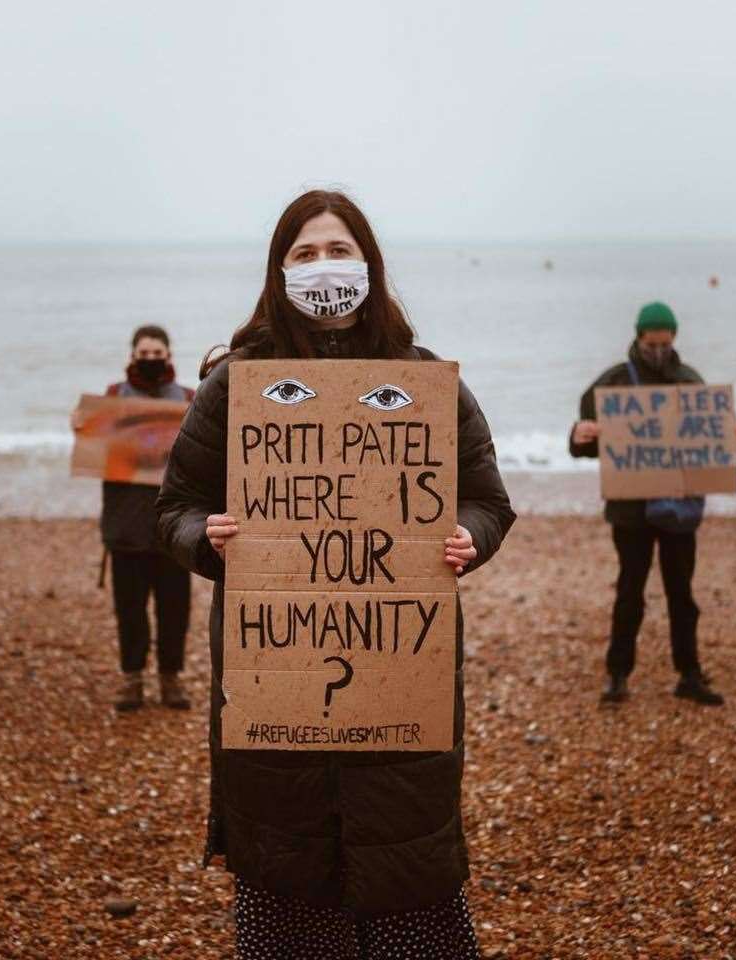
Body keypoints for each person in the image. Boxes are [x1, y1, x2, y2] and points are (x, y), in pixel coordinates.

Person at [156, 190, 515, 960]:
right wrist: (204, 537)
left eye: (338, 250)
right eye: (305, 254)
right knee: (290, 891)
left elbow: (487, 500)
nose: (324, 268)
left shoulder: (423, 382)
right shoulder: (237, 384)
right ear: (278, 271)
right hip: (274, 677)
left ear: (370, 265)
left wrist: (467, 537)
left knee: (411, 884)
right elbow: (175, 505)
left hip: (401, 678)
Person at [568, 302, 736, 706]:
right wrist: (579, 435)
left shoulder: (690, 381)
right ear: (638, 338)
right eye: (651, 343)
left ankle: (689, 674)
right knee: (630, 592)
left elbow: (710, 447)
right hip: (630, 511)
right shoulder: (613, 383)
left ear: (674, 340)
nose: (657, 350)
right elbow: (585, 445)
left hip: (680, 510)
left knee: (681, 595)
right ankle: (617, 675)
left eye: (665, 343)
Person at [101, 325, 195, 711]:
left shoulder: (188, 398)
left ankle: (170, 678)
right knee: (130, 610)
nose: (151, 358)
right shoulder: (113, 398)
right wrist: (81, 426)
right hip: (125, 526)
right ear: (132, 354)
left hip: (173, 526)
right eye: (145, 352)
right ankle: (132, 678)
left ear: (169, 356)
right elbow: (94, 445)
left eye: (157, 353)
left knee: (175, 609)